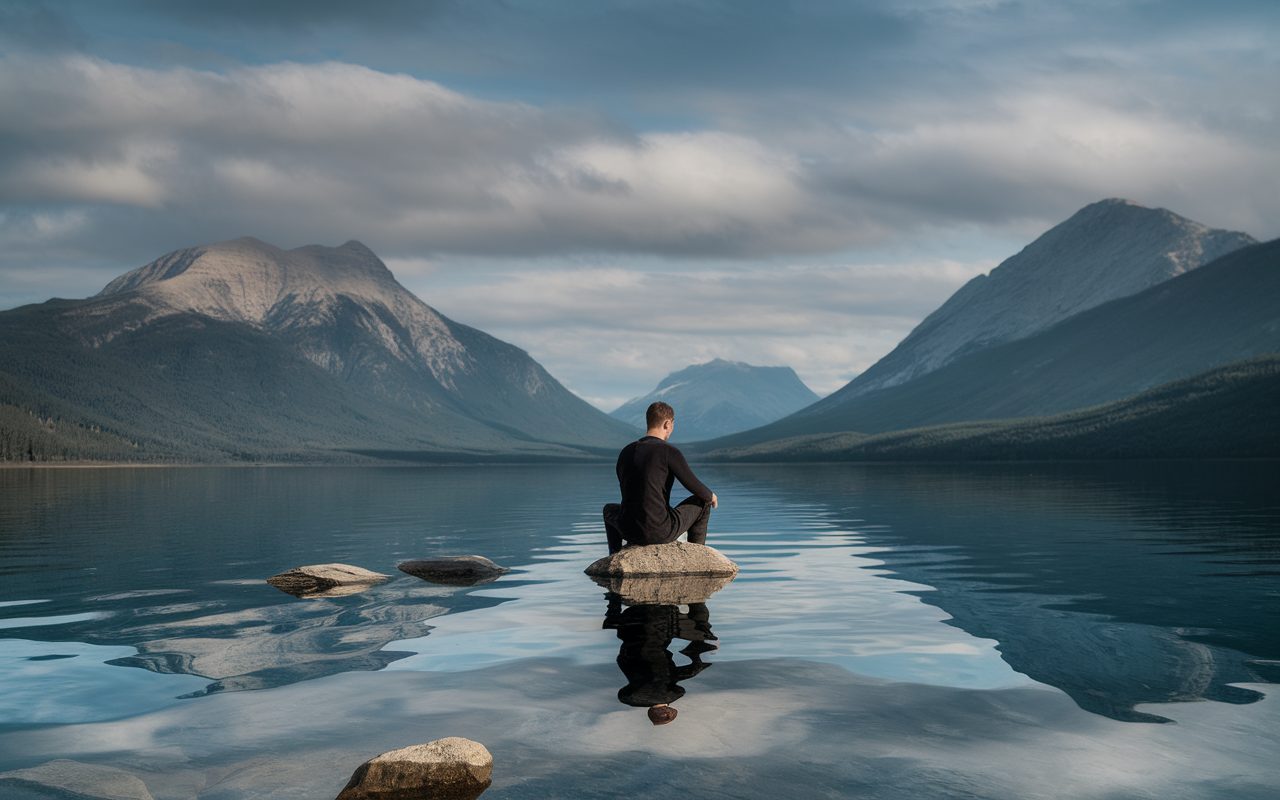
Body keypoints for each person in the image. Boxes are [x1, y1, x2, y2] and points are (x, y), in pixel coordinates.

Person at [603, 401, 718, 555]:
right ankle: (698, 555)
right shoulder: (668, 451)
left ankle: (614, 554)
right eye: (672, 425)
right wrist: (711, 496)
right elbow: (693, 485)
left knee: (609, 509)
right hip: (660, 531)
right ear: (667, 424)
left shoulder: (626, 452)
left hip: (629, 530)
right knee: (703, 502)